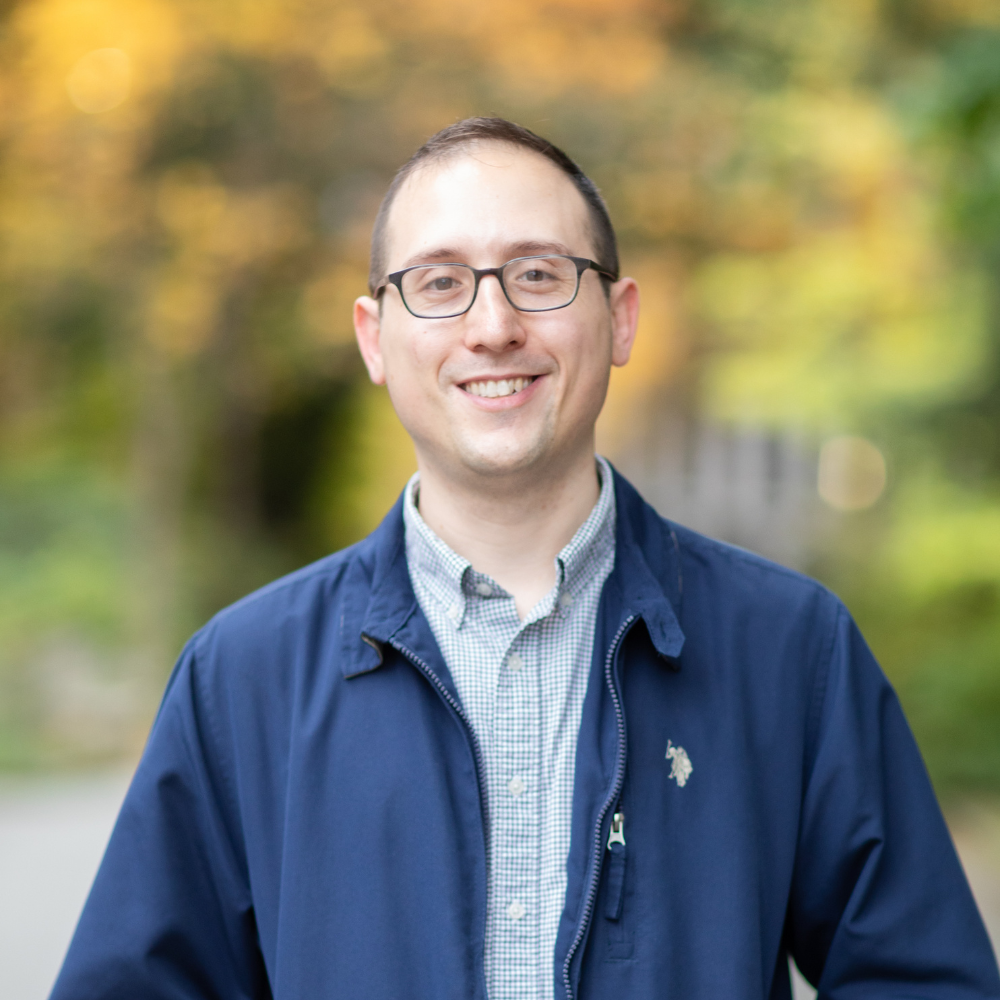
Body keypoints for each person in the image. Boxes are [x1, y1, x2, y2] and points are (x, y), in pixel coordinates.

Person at [52, 117, 999, 1000]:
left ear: (621, 319)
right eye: (437, 282)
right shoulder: (242, 677)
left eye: (540, 275)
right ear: (375, 339)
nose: (493, 324)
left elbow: (922, 979)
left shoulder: (791, 650)